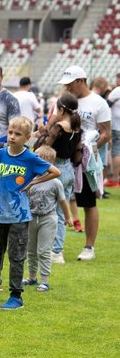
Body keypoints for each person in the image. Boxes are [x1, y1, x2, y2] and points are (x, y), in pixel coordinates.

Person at [0, 117, 61, 310]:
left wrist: (32, 183)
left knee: (16, 254)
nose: (12, 137)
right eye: (10, 132)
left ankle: (16, 296)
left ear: (27, 137)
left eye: (17, 134)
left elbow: (55, 171)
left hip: (19, 215)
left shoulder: (30, 158)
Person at [58, 65, 110, 261]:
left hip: (87, 162)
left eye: (70, 84)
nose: (67, 88)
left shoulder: (99, 103)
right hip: (64, 159)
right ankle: (56, 247)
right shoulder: (64, 100)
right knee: (57, 202)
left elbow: (106, 132)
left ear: (81, 81)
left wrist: (89, 145)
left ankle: (89, 247)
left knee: (88, 203)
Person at [33, 93, 83, 264]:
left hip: (54, 169)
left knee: (46, 212)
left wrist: (41, 133)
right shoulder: (77, 128)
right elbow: (77, 155)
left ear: (61, 110)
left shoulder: (58, 127)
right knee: (62, 213)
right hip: (69, 169)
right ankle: (57, 252)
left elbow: (42, 148)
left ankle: (42, 249)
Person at [24, 146, 71, 293]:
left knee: (44, 250)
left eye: (38, 159)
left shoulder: (55, 182)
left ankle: (44, 280)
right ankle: (32, 277)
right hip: (31, 218)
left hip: (48, 219)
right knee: (30, 250)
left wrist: (68, 218)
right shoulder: (30, 179)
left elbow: (63, 201)